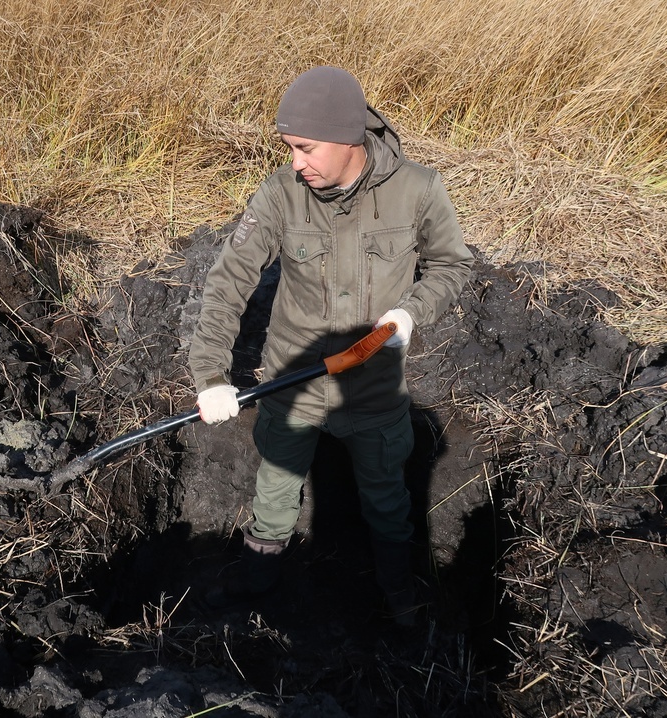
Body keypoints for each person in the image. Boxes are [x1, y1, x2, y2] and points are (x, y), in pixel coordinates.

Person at [188, 66, 473, 624]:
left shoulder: (418, 190)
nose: (296, 163)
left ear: (348, 139)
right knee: (274, 492)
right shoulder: (279, 194)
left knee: (388, 499)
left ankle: (398, 587)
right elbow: (229, 281)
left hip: (373, 388)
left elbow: (450, 266)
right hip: (291, 383)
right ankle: (258, 575)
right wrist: (211, 376)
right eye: (289, 148)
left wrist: (409, 314)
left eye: (306, 148)